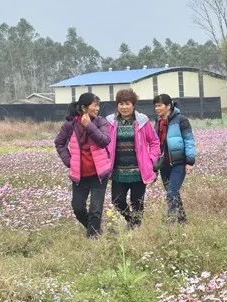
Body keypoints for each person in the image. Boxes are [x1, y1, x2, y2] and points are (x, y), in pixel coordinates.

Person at [54, 92, 112, 237]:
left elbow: (104, 141)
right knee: (78, 208)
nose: (97, 108)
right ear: (84, 107)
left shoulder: (101, 122)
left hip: (99, 174)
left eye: (98, 105)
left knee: (95, 210)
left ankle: (93, 240)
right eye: (95, 105)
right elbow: (59, 143)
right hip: (79, 175)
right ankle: (96, 231)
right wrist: (68, 161)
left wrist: (89, 126)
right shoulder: (70, 124)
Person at [105, 89, 161, 228]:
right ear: (117, 105)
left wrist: (151, 159)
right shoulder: (110, 122)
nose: (124, 107)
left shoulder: (142, 121)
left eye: (127, 103)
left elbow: (154, 142)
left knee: (137, 202)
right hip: (118, 171)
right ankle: (132, 222)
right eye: (121, 104)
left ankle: (135, 228)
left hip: (139, 170)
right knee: (117, 201)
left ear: (133, 105)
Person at [153, 94, 196, 223]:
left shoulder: (181, 120)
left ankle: (170, 222)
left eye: (159, 105)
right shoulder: (158, 121)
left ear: (168, 106)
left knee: (171, 192)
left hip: (178, 163)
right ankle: (183, 221)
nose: (157, 108)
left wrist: (190, 161)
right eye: (155, 106)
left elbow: (189, 140)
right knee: (173, 193)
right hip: (164, 164)